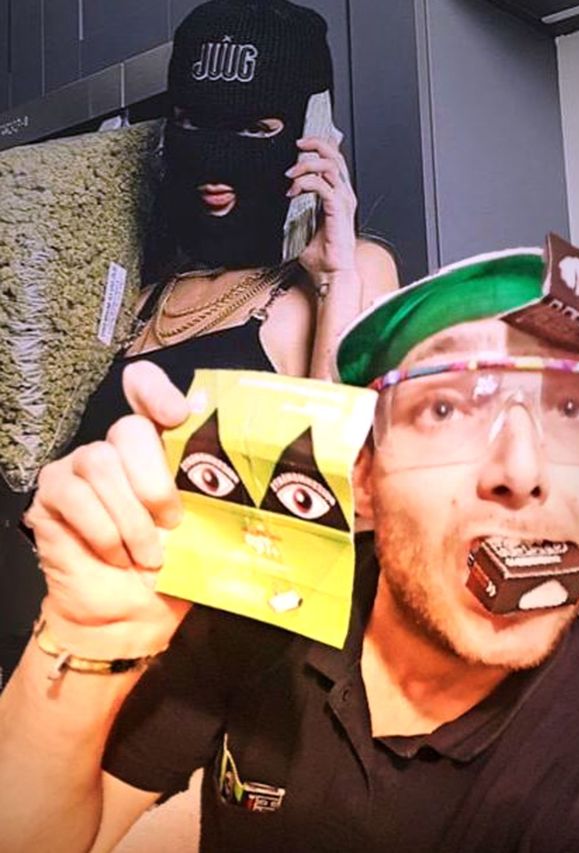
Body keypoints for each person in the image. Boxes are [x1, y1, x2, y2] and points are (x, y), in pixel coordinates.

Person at [3, 244, 579, 853]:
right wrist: (85, 637)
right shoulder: (271, 606)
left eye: (572, 408)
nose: (524, 467)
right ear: (363, 478)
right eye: (446, 409)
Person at [0, 0, 398, 686]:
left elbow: (341, 504)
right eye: (191, 123)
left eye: (256, 128)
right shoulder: (145, 289)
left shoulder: (348, 275)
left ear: (312, 136)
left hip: (216, 683)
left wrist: (334, 275)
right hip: (66, 653)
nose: (216, 161)